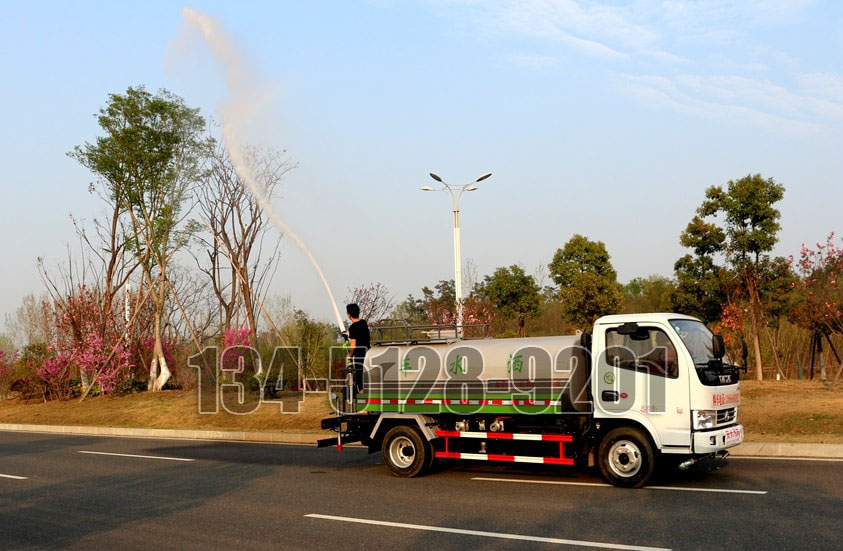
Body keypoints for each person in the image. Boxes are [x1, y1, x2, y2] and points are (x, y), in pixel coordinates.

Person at [344, 303, 370, 395]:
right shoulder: (363, 323)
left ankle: (363, 406)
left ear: (349, 315)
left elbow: (353, 345)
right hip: (368, 353)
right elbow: (360, 335)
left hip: (359, 356)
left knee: (360, 380)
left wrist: (349, 355)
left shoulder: (352, 327)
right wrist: (349, 334)